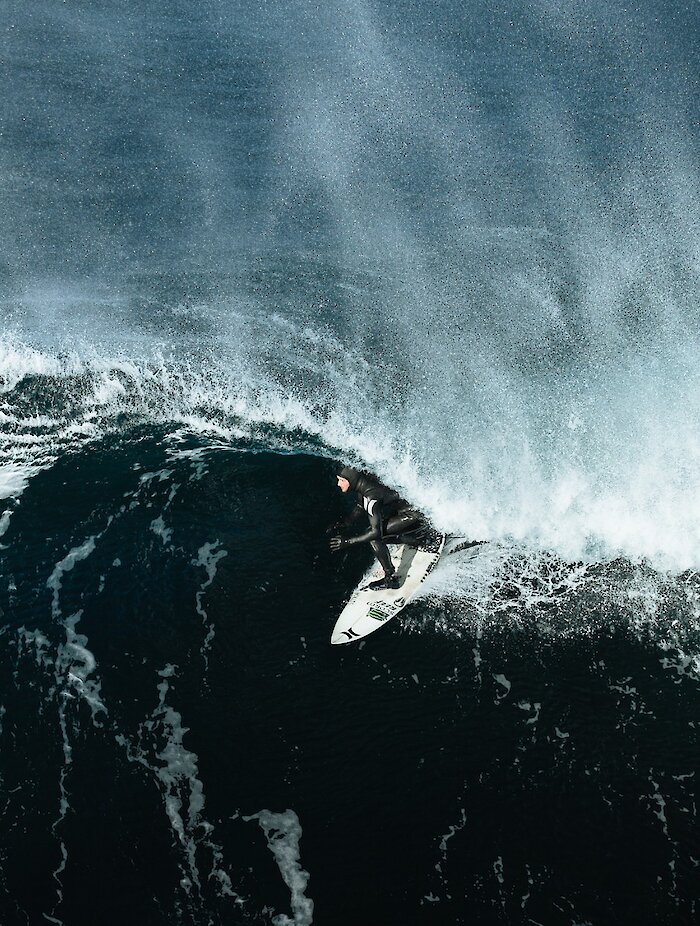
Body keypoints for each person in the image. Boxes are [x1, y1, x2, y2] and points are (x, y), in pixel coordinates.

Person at [328, 465, 427, 590]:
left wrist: (347, 542)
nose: (338, 484)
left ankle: (390, 578)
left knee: (373, 536)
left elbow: (375, 533)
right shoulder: (366, 482)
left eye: (341, 480)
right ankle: (416, 538)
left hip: (414, 515)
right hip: (415, 508)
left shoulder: (370, 497)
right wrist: (346, 522)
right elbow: (360, 505)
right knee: (379, 532)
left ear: (351, 480)